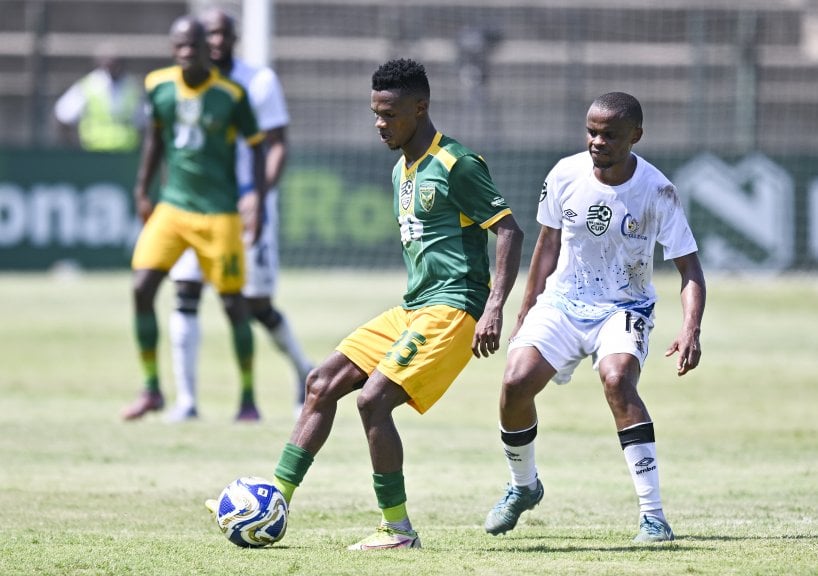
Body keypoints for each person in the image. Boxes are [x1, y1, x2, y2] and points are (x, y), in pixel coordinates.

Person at [207, 58, 524, 550]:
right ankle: (274, 499)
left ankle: (397, 530)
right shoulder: (401, 169)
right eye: (375, 113)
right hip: (415, 305)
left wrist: (495, 306)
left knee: (373, 400)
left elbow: (508, 229)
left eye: (390, 114)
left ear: (420, 109)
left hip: (455, 307)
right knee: (321, 382)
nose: (380, 124)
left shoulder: (457, 164)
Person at [483, 92, 706, 543]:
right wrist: (527, 306)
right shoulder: (565, 173)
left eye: (609, 134)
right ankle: (524, 487)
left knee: (618, 379)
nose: (596, 141)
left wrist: (690, 329)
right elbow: (547, 243)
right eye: (591, 131)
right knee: (514, 382)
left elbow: (690, 269)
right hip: (563, 302)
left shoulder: (657, 190)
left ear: (635, 137)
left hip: (624, 307)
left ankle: (653, 516)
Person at [165, 8, 312, 423]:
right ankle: (187, 402)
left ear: (233, 38)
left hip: (247, 205)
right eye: (206, 34)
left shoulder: (258, 81)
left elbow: (277, 143)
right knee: (185, 289)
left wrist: (260, 197)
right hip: (196, 206)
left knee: (254, 304)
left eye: (220, 34)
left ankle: (304, 369)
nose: (213, 42)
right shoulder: (185, 85)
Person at [121, 15, 266, 421]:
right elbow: (154, 140)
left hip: (218, 214)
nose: (187, 53)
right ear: (173, 49)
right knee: (141, 287)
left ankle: (248, 399)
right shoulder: (158, 86)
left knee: (233, 304)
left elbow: (257, 145)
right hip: (172, 207)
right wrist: (141, 189)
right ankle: (151, 388)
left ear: (208, 50)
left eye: (194, 46)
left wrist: (253, 194)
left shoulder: (232, 95)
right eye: (180, 46)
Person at [53, 44, 145, 152]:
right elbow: (63, 115)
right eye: (109, 62)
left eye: (116, 62)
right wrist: (70, 148)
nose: (113, 66)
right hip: (93, 154)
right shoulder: (88, 85)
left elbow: (144, 122)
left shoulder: (132, 87)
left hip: (126, 153)